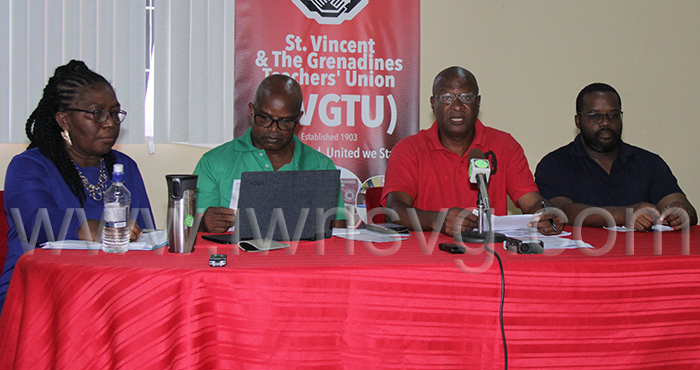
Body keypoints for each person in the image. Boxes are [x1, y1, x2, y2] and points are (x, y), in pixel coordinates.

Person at [1, 60, 155, 312]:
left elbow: (145, 236)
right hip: (38, 292)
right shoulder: (28, 166)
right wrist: (95, 229)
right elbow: (37, 225)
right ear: (64, 120)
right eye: (97, 114)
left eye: (115, 113)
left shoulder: (124, 166)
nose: (110, 123)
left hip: (113, 289)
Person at [381, 66, 561, 236]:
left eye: (467, 97)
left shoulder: (505, 145)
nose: (458, 106)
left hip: (492, 255)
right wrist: (437, 220)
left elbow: (532, 201)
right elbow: (394, 211)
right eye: (447, 97)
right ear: (432, 103)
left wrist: (545, 213)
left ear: (478, 102)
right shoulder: (408, 149)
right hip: (429, 255)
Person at [194, 74, 346, 233]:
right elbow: (188, 222)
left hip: (302, 257)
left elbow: (338, 229)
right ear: (252, 111)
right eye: (265, 118)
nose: (274, 129)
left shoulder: (321, 165)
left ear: (298, 118)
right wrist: (202, 223)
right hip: (237, 256)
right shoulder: (214, 162)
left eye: (285, 121)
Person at [535, 83, 696, 231]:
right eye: (594, 116)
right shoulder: (555, 163)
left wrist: (681, 213)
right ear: (578, 121)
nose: (605, 123)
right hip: (583, 256)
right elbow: (560, 211)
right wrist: (623, 215)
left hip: (643, 254)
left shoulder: (649, 162)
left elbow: (683, 207)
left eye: (613, 115)